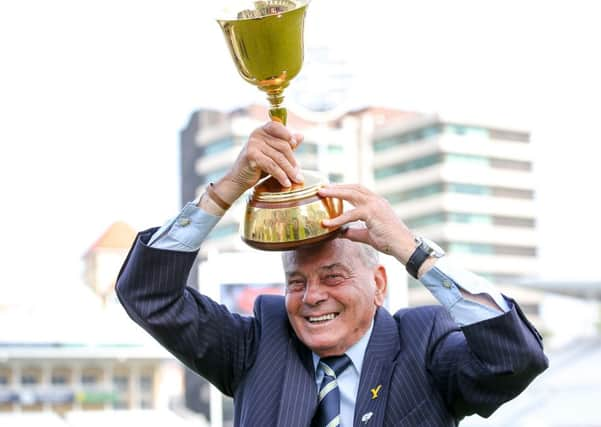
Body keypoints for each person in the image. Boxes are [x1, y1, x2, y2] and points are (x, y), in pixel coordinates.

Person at [116, 122, 548, 426]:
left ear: (378, 284)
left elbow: (516, 358)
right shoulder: (257, 345)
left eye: (333, 276)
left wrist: (410, 250)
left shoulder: (424, 343)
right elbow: (148, 294)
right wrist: (229, 187)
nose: (311, 296)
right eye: (296, 282)